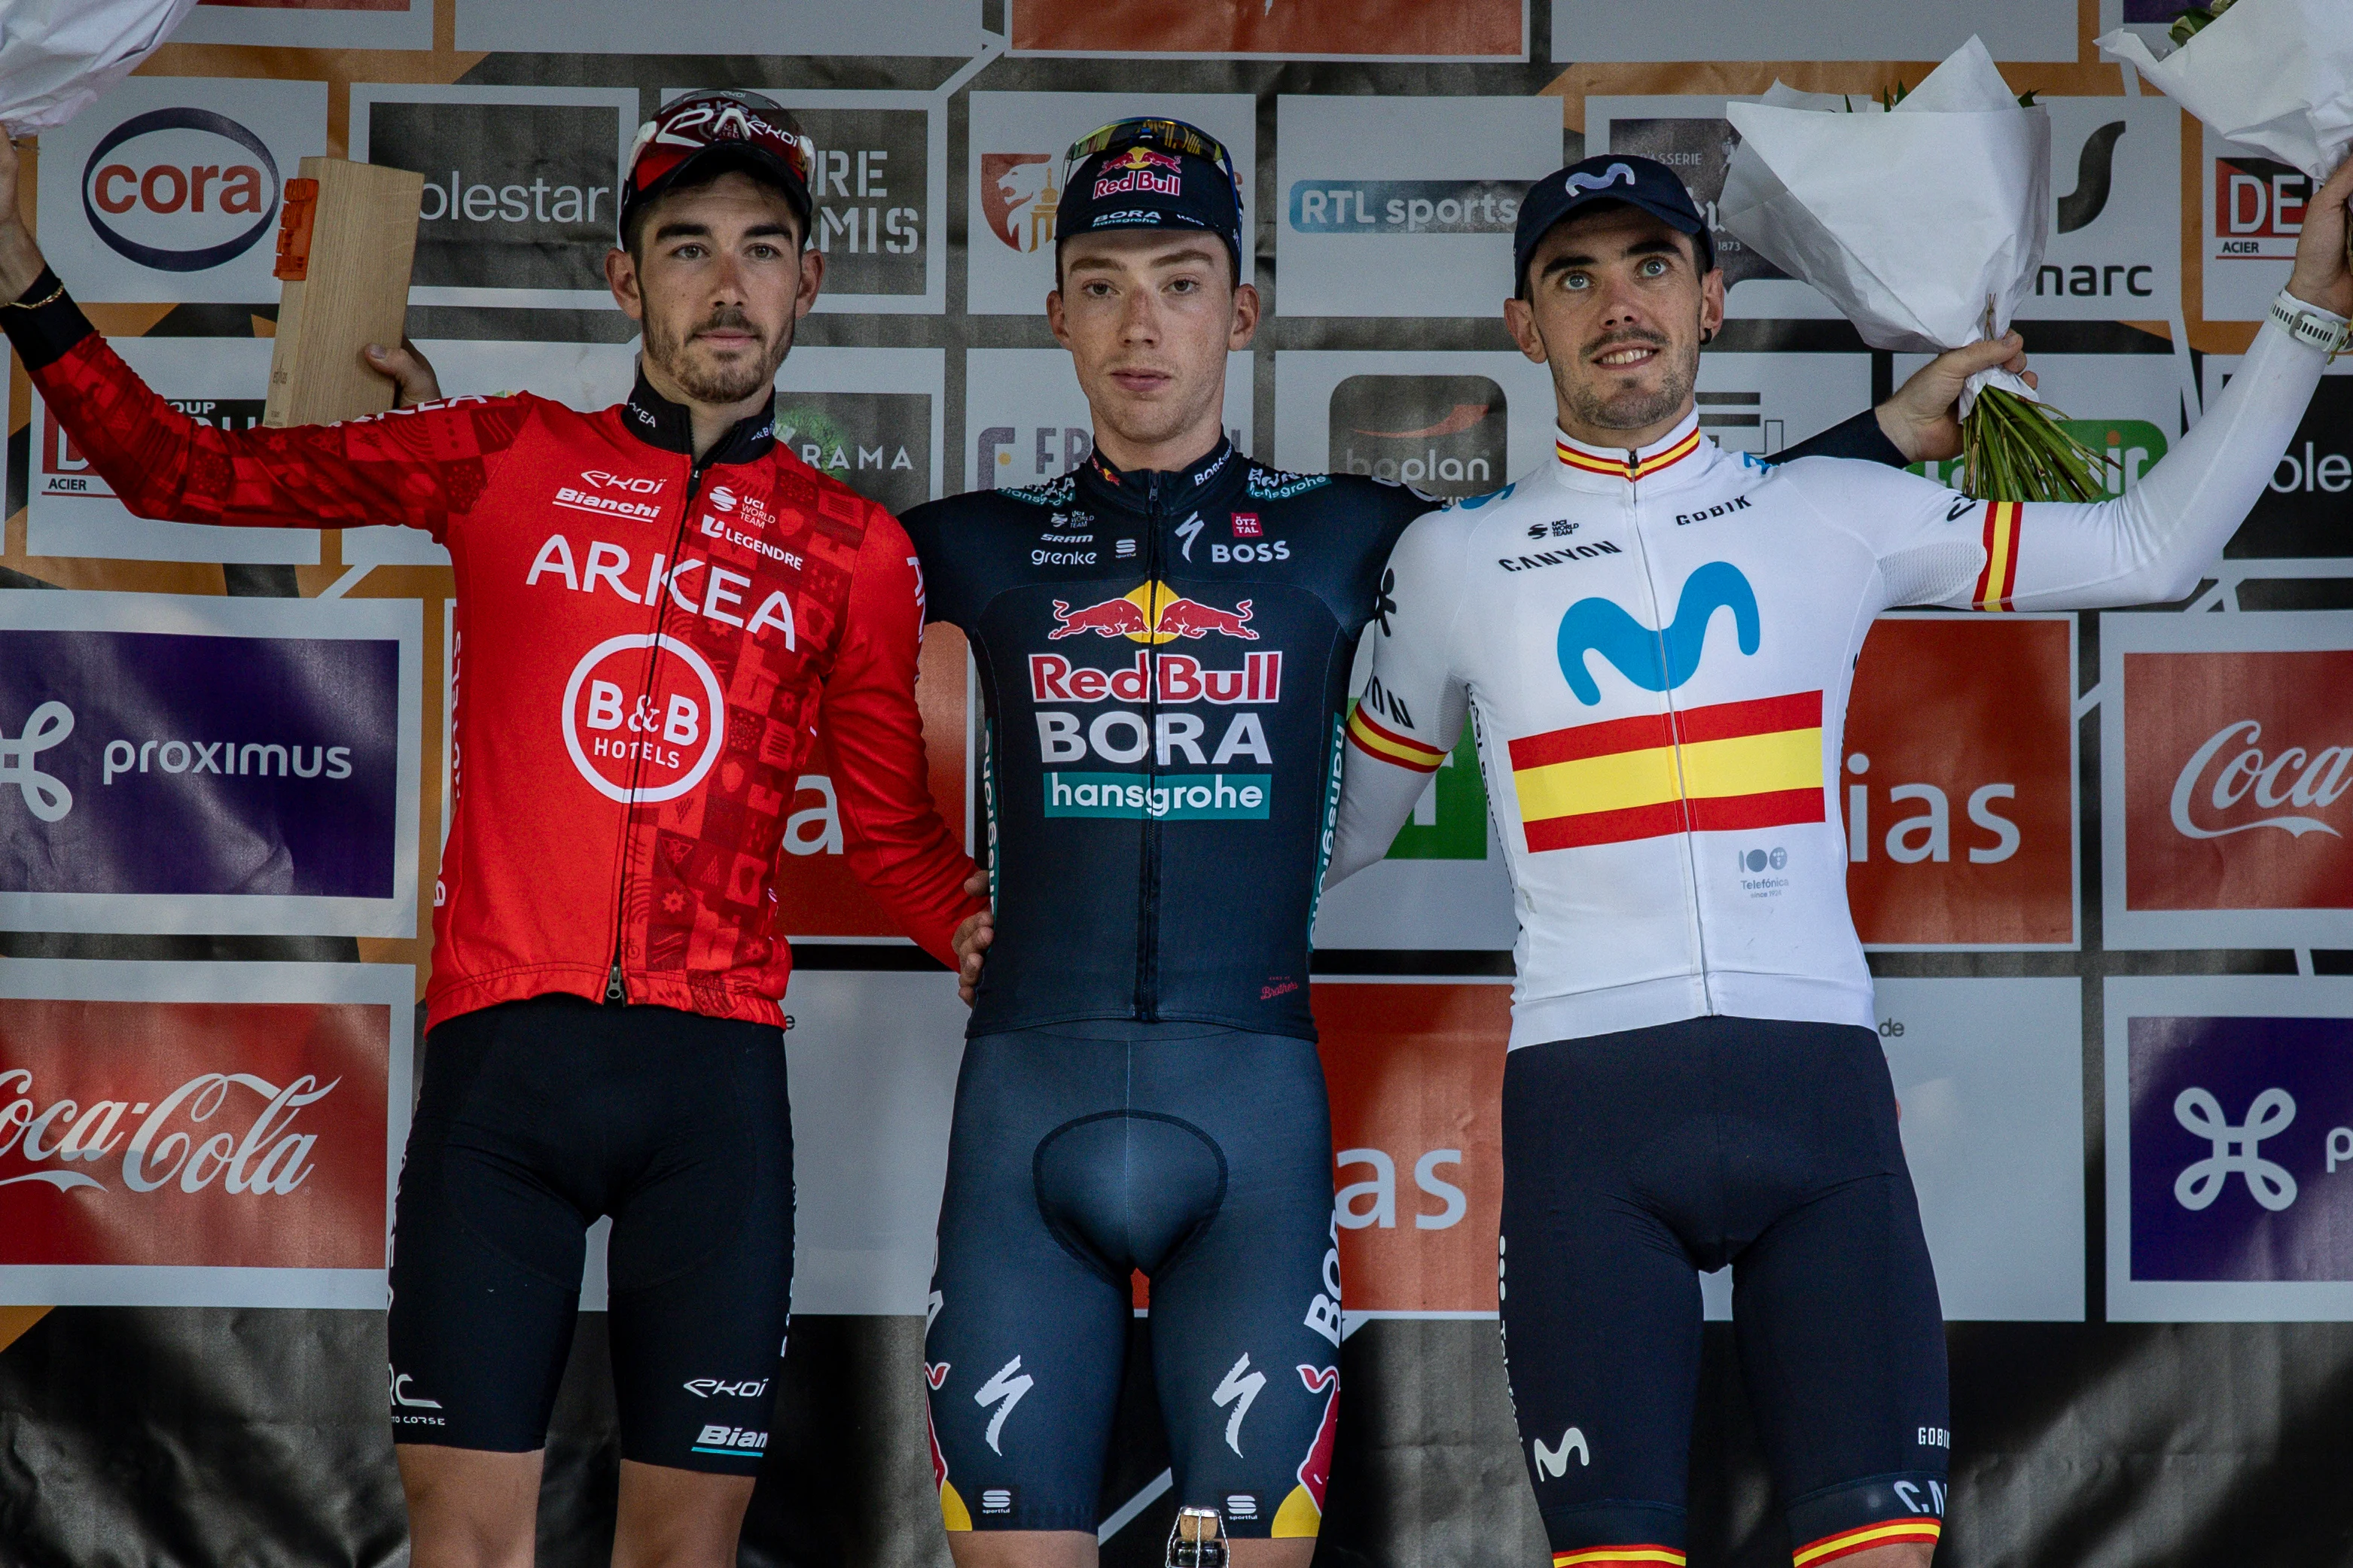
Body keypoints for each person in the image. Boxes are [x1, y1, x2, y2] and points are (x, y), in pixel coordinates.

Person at [900, 122, 2025, 1568]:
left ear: (1239, 311)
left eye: (1179, 279)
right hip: (1022, 1116)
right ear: (1054, 312)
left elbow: (1634, 533)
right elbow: (771, 646)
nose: (1140, 321)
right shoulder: (968, 540)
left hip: (1250, 1124)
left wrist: (1869, 451)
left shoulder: (1349, 532)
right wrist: (933, 896)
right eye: (1103, 282)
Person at [0, 90, 989, 1568]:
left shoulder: (854, 550)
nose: (727, 285)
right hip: (501, 1084)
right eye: (686, 247)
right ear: (622, 278)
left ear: (808, 282)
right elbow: (177, 476)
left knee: (681, 1559)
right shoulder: (502, 456)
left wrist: (991, 935)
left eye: (762, 248)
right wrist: (26, 287)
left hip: (709, 1090)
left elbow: (898, 844)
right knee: (465, 1555)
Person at [1324, 151, 2353, 1568]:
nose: (1617, 305)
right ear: (1523, 327)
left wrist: (2304, 308)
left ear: (1713, 303)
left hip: (1820, 1113)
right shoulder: (1450, 561)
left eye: (1650, 268)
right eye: (1575, 276)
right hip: (1588, 1128)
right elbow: (1340, 839)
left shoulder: (1830, 515)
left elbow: (2148, 543)